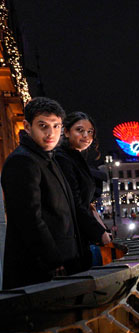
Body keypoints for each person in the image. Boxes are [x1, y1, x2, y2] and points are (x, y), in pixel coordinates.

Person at [1, 97, 83, 289]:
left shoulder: (47, 158)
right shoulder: (22, 161)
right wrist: (54, 260)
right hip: (41, 271)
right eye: (43, 126)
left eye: (56, 126)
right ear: (27, 127)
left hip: (59, 265)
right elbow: (29, 219)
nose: (50, 133)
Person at [55, 112, 111, 267]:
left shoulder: (74, 157)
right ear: (66, 132)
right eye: (79, 130)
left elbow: (84, 201)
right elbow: (75, 201)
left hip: (78, 234)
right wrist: (98, 232)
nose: (86, 135)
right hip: (72, 236)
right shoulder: (63, 158)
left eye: (90, 131)